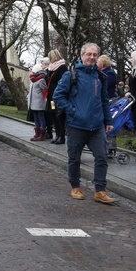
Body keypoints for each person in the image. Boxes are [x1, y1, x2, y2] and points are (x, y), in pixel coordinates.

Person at [52, 43, 116, 204]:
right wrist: (72, 110)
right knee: (74, 158)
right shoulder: (71, 75)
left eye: (95, 55)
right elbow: (58, 96)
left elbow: (104, 101)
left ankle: (100, 190)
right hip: (76, 125)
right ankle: (75, 186)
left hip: (97, 126)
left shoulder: (100, 77)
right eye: (88, 54)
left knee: (101, 157)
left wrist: (108, 120)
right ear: (82, 56)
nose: (92, 57)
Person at [45, 50, 68, 144]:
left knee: (60, 116)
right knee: (53, 114)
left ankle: (62, 136)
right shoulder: (51, 68)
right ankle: (57, 134)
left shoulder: (62, 67)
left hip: (58, 96)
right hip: (51, 97)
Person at [28, 66, 48, 141]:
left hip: (39, 102)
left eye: (32, 72)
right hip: (33, 102)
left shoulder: (41, 80)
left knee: (41, 118)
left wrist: (44, 99)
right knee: (36, 119)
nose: (31, 73)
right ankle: (37, 133)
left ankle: (42, 134)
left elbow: (45, 90)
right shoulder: (33, 80)